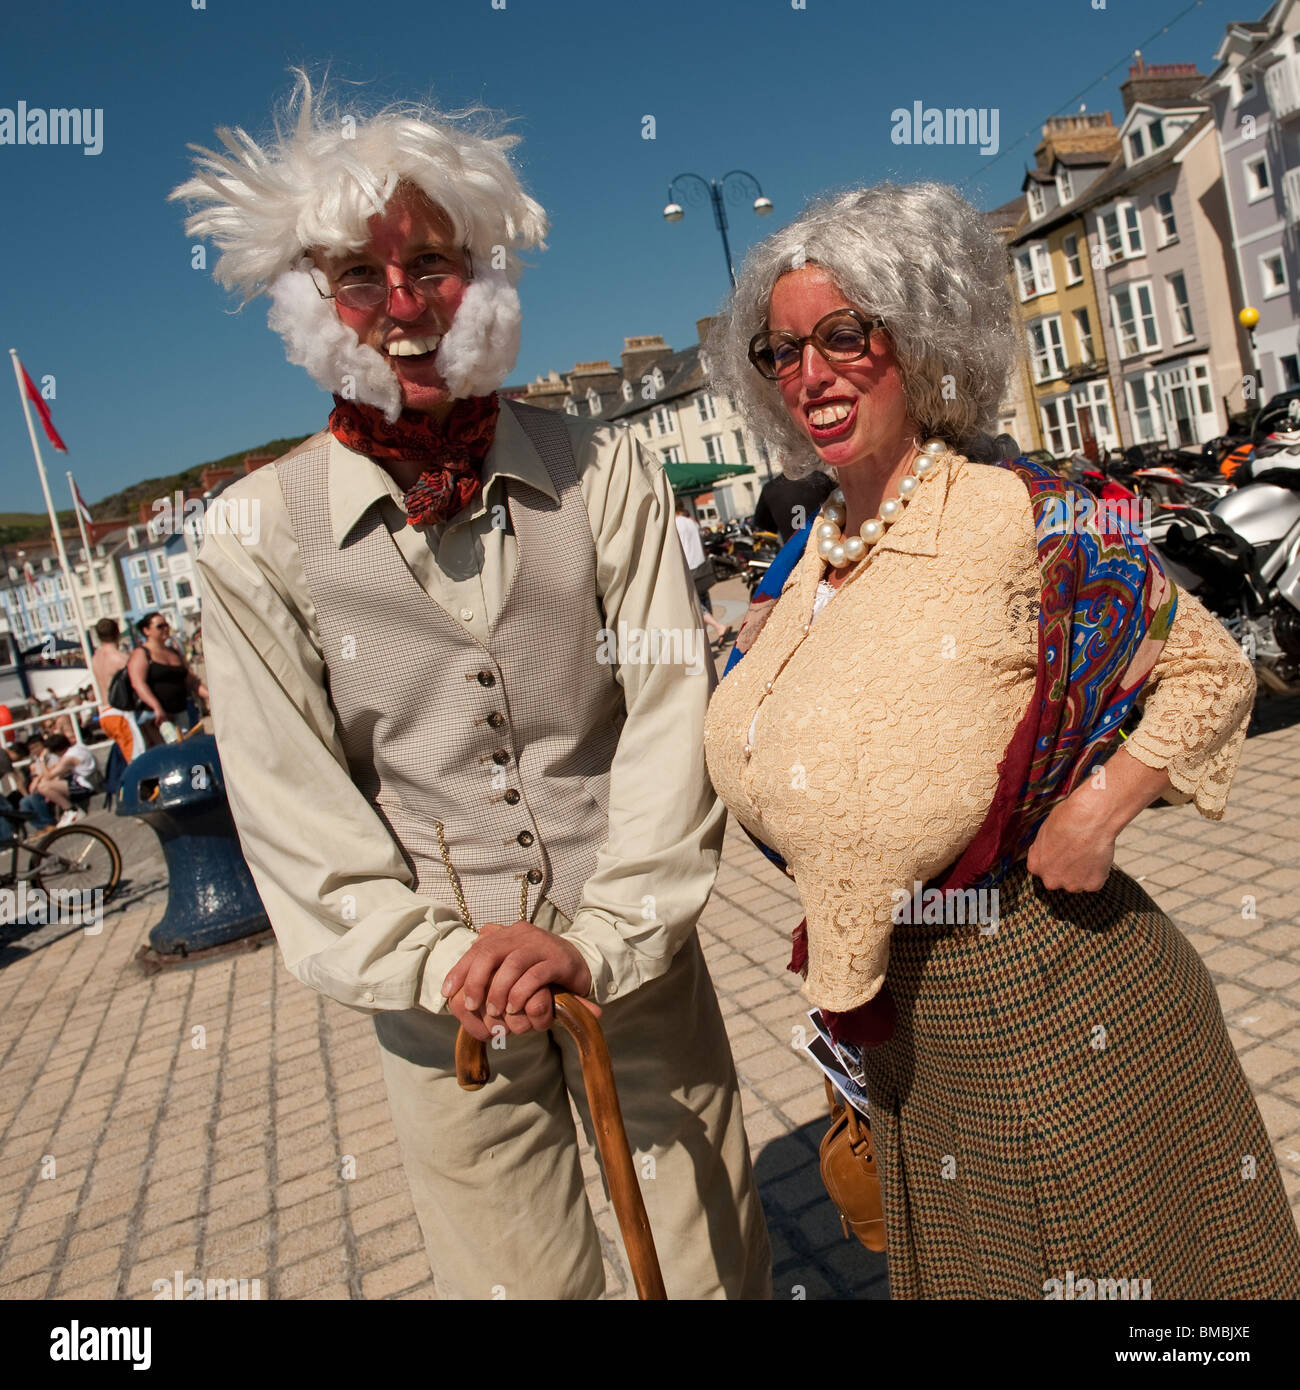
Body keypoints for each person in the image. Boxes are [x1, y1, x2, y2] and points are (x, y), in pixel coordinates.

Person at [173, 72, 770, 1301]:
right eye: (360, 276)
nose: (404, 305)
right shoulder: (250, 533)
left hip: (635, 962)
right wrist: (441, 962)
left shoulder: (600, 472)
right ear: (309, 305)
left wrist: (601, 940)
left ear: (483, 278)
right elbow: (293, 802)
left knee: (712, 1269)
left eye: (433, 264)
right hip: (440, 1006)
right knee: (519, 1289)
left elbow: (669, 711)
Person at [702, 182, 1300, 1299]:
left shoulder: (1021, 506)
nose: (810, 373)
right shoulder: (807, 555)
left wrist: (1098, 808)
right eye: (781, 351)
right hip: (912, 1038)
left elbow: (1209, 665)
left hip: (1057, 993)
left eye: (844, 334)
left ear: (920, 338)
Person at [128, 612, 207, 745]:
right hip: (157, 718)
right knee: (169, 754)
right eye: (160, 626)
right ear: (146, 631)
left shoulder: (174, 652)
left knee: (189, 749)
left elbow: (191, 681)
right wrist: (156, 707)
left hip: (181, 711)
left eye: (166, 625)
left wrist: (211, 695)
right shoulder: (141, 654)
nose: (165, 629)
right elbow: (138, 683)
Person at [674, 498, 732, 647]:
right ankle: (708, 637)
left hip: (689, 566)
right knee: (703, 598)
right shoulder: (692, 522)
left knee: (694, 602)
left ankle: (718, 627)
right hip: (701, 564)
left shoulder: (675, 524)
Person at [751, 468, 835, 543]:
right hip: (825, 545)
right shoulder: (819, 478)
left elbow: (762, 523)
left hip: (792, 551)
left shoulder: (769, 488)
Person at [91, 617, 130, 700]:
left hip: (105, 709)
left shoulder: (95, 659)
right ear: (118, 633)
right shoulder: (121, 659)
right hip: (121, 709)